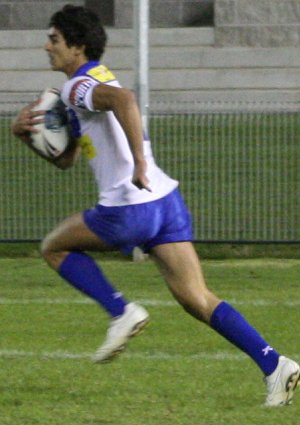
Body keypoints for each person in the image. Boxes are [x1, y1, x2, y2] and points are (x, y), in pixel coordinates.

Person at [12, 4, 299, 407]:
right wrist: (25, 135)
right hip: (165, 202)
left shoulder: (78, 85)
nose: (47, 46)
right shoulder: (91, 83)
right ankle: (275, 364)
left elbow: (126, 100)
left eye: (54, 39)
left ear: (77, 46)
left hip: (129, 208)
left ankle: (120, 312)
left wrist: (139, 165)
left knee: (53, 247)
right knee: (196, 298)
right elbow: (66, 160)